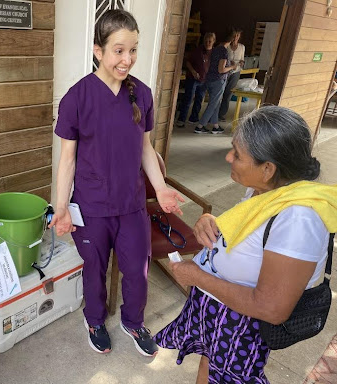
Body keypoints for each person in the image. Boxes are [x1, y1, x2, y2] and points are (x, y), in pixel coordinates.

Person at [153, 106, 337, 383]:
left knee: (227, 377)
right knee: (209, 365)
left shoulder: (299, 218)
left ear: (267, 169)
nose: (229, 157)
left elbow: (271, 308)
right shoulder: (266, 191)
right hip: (219, 310)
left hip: (241, 324)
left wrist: (196, 276)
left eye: (237, 155)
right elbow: (250, 232)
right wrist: (209, 220)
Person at [49, 9, 184, 357]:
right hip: (92, 206)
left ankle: (133, 321)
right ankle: (94, 319)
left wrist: (161, 186)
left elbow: (144, 148)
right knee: (94, 270)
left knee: (138, 271)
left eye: (134, 50)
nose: (128, 60)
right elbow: (67, 160)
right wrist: (61, 207)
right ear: (98, 50)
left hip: (132, 205)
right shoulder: (77, 98)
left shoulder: (142, 94)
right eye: (119, 50)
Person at [194, 31, 238, 134]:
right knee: (213, 104)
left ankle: (215, 126)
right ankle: (200, 126)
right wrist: (232, 66)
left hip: (210, 79)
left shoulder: (216, 49)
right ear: (230, 40)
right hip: (218, 80)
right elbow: (221, 70)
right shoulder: (223, 51)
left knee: (216, 103)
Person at [176, 32, 216, 128]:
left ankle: (193, 118)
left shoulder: (214, 53)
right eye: (206, 41)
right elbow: (188, 62)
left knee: (199, 99)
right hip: (193, 78)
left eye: (210, 41)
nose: (208, 43)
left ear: (213, 42)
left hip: (204, 80)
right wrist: (193, 72)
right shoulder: (197, 51)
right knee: (188, 99)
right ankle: (181, 119)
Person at [218, 28, 245, 122]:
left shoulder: (242, 47)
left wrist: (241, 62)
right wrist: (229, 63)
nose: (236, 37)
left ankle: (221, 114)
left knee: (228, 93)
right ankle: (214, 113)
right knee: (219, 92)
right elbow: (221, 59)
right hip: (225, 72)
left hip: (235, 72)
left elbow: (242, 59)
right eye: (234, 35)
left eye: (238, 35)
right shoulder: (226, 46)